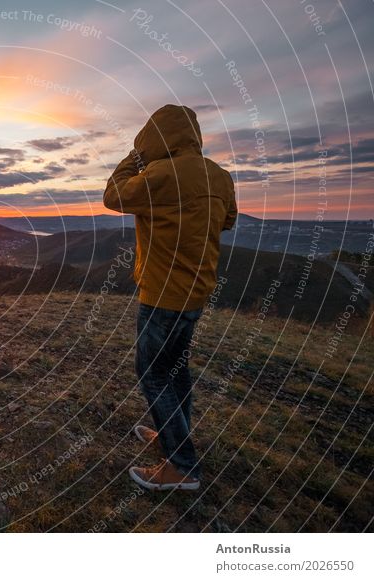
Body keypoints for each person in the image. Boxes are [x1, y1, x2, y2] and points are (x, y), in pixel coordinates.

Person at [103, 104, 237, 491]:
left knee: (153, 373)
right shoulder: (220, 176)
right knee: (176, 371)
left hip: (163, 294)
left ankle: (181, 467)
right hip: (196, 291)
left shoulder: (160, 175)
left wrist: (136, 158)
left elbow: (113, 195)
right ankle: (171, 436)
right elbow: (229, 220)